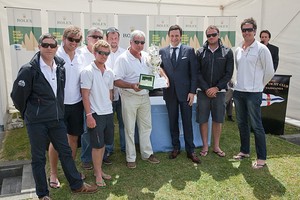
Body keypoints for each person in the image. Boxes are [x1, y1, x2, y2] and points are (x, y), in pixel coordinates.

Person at [10, 33, 97, 200]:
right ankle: (42, 194)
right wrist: (28, 113)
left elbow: (59, 92)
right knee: (38, 158)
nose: (49, 48)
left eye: (52, 45)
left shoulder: (60, 66)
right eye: (45, 45)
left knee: (65, 151)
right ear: (39, 47)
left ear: (56, 48)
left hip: (56, 118)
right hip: (36, 121)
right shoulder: (29, 69)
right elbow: (17, 96)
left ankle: (77, 185)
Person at [114, 30, 160, 169]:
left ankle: (147, 153)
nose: (140, 45)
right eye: (137, 42)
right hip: (129, 97)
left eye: (142, 42)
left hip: (144, 96)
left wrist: (164, 78)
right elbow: (116, 80)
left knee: (146, 126)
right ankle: (130, 157)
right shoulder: (122, 59)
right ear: (130, 42)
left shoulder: (147, 56)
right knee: (129, 128)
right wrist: (131, 85)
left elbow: (156, 69)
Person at [233, 18, 274, 169]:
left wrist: (259, 85)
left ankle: (261, 158)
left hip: (253, 93)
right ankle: (244, 151)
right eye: (244, 30)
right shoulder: (238, 49)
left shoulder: (262, 49)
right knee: (242, 123)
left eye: (249, 30)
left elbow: (269, 71)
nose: (246, 32)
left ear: (255, 31)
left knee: (256, 126)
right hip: (239, 92)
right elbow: (238, 68)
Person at [48, 25, 85, 186]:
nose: (74, 43)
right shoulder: (55, 54)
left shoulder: (81, 56)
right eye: (71, 39)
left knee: (73, 139)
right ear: (64, 38)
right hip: (58, 105)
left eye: (77, 40)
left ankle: (71, 170)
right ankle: (53, 173)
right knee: (56, 140)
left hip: (77, 104)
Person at [159, 25, 200, 164]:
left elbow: (194, 74)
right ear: (168, 36)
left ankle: (191, 150)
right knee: (172, 121)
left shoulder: (189, 51)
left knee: (187, 122)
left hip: (185, 94)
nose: (174, 38)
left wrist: (192, 92)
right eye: (172, 35)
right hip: (170, 94)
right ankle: (175, 147)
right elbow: (159, 69)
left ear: (180, 36)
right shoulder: (162, 51)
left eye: (177, 35)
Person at [196, 25, 234, 157]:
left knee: (218, 119)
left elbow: (229, 73)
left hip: (220, 92)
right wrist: (206, 88)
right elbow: (197, 72)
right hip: (203, 92)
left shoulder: (227, 52)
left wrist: (217, 88)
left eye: (214, 34)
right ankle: (205, 145)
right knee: (203, 119)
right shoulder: (200, 52)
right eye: (208, 35)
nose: (211, 37)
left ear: (219, 35)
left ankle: (216, 146)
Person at [81, 39, 114, 187]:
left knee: (104, 144)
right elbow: (85, 95)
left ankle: (97, 170)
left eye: (107, 53)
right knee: (97, 146)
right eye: (101, 52)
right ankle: (98, 174)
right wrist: (89, 116)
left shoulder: (109, 71)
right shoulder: (88, 71)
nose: (104, 55)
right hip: (95, 114)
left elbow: (110, 92)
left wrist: (110, 106)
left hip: (108, 113)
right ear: (94, 53)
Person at [80, 27, 104, 170]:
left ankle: (102, 155)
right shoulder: (80, 53)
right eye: (94, 36)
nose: (97, 39)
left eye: (100, 36)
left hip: (101, 100)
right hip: (87, 99)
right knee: (87, 130)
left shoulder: (104, 52)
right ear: (87, 38)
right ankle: (86, 158)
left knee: (101, 129)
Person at [104, 27, 126, 163]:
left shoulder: (125, 53)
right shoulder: (102, 53)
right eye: (111, 38)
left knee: (124, 122)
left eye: (116, 38)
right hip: (107, 95)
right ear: (106, 39)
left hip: (123, 93)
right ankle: (108, 148)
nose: (114, 41)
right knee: (108, 124)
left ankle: (125, 148)